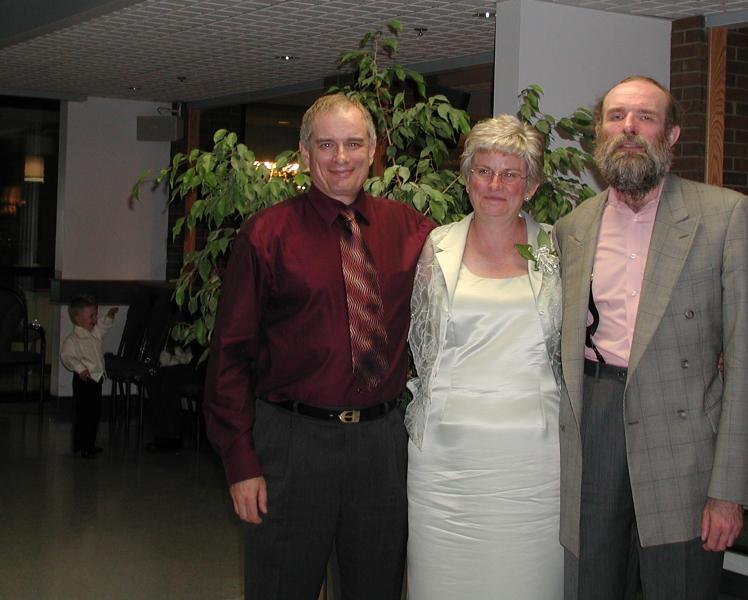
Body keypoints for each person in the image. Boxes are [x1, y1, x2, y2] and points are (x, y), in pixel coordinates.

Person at [204, 93, 434, 600]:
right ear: (305, 153)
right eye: (326, 145)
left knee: (375, 588)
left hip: (380, 445)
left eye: (354, 143)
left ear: (374, 150)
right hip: (291, 443)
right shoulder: (266, 235)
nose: (341, 157)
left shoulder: (414, 231)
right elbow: (231, 357)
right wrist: (240, 463)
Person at [553, 76, 748, 599]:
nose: (628, 128)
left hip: (685, 444)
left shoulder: (724, 215)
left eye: (644, 118)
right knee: (593, 587)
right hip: (595, 427)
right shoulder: (571, 228)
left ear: (671, 135)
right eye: (616, 116)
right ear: (598, 135)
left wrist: (728, 491)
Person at [405, 115, 563, 599]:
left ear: (531, 185)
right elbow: (422, 348)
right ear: (467, 176)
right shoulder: (437, 245)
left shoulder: (555, 249)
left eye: (510, 173)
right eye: (484, 171)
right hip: (445, 459)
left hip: (534, 458)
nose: (496, 184)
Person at [60, 295, 118, 459]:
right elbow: (67, 357)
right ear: (77, 318)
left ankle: (89, 444)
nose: (95, 319)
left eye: (96, 315)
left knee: (94, 413)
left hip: (96, 379)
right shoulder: (73, 340)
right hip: (83, 380)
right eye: (91, 316)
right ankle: (81, 445)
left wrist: (109, 316)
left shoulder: (95, 333)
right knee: (83, 414)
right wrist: (80, 368)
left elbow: (103, 326)